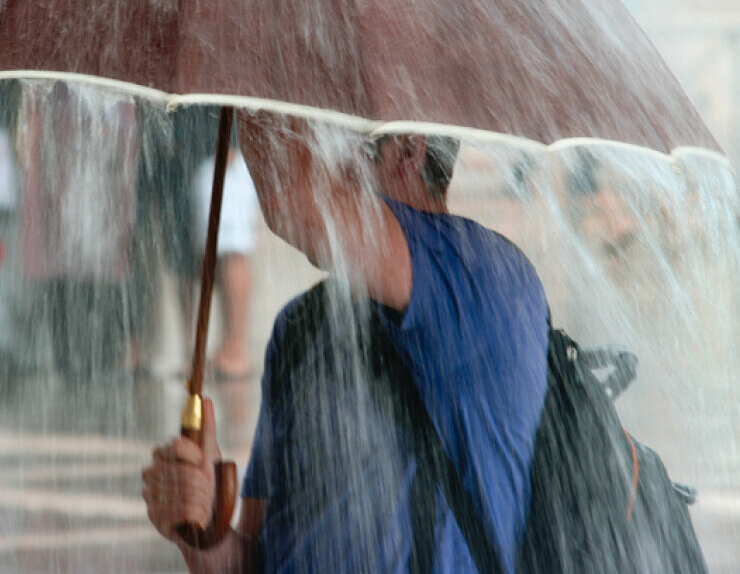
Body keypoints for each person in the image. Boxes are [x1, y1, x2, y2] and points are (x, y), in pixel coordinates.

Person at [142, 112, 551, 573]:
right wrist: (204, 534)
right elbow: (255, 562)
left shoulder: (489, 279)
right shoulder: (301, 326)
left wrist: (241, 85)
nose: (315, 153)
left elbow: (289, 196)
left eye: (329, 135)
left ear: (407, 150)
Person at [189, 142, 260, 380]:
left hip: (224, 151)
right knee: (213, 251)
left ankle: (235, 351)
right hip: (196, 152)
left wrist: (232, 142)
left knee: (232, 247)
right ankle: (225, 349)